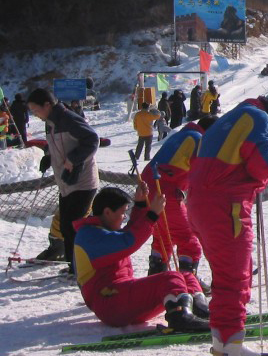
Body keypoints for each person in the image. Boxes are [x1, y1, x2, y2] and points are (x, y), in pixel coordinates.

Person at [187, 90, 268, 356]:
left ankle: (230, 348)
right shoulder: (261, 120)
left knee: (233, 276)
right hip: (226, 207)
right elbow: (263, 164)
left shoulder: (236, 116)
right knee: (233, 282)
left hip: (202, 203)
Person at [73, 185, 209, 331]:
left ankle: (202, 312)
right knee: (171, 279)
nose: (124, 217)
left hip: (120, 297)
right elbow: (128, 241)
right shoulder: (89, 236)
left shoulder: (103, 231)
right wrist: (152, 215)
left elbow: (129, 231)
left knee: (186, 277)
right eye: (123, 213)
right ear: (107, 212)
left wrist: (140, 204)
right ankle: (180, 318)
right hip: (109, 302)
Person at [27, 88, 100, 273]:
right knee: (66, 226)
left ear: (47, 105)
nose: (35, 115)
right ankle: (72, 265)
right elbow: (58, 145)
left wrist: (73, 159)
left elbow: (92, 139)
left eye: (36, 110)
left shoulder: (68, 118)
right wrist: (48, 156)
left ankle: (80, 268)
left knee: (72, 226)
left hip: (83, 181)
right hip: (66, 182)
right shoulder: (50, 122)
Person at [142, 115, 217, 279]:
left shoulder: (184, 135)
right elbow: (203, 172)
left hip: (149, 187)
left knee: (164, 235)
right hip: (166, 189)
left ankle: (156, 278)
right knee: (187, 236)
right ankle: (187, 280)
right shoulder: (198, 140)